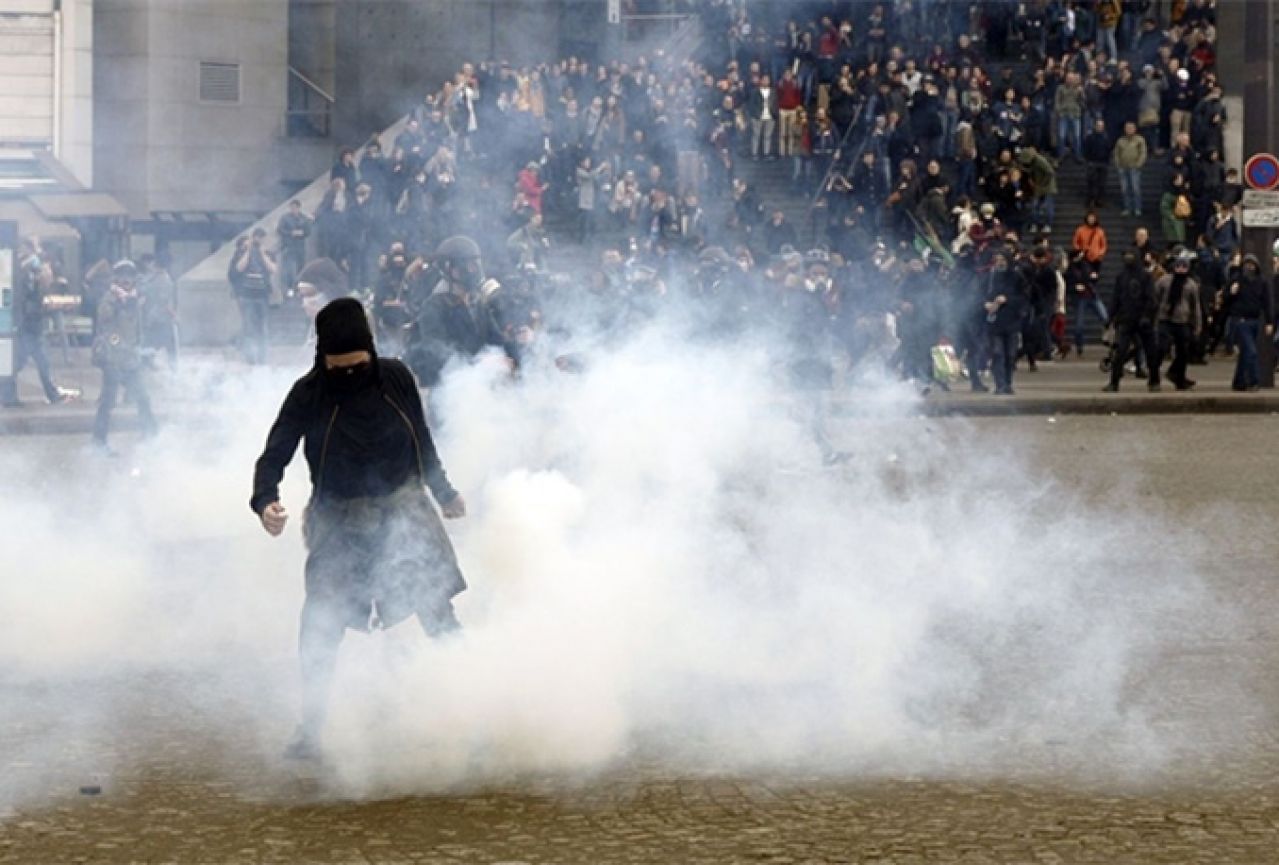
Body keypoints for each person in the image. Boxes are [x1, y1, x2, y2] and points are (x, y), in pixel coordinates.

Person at [251, 298, 467, 759]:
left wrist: (444, 492)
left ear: (370, 351)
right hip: (338, 518)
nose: (348, 376)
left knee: (438, 611)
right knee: (320, 624)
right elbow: (276, 451)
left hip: (406, 510)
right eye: (337, 368)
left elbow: (421, 439)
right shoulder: (308, 394)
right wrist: (265, 499)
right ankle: (311, 731)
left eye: (357, 366)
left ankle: (475, 715)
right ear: (322, 359)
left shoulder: (396, 378)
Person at [92, 260, 158, 451]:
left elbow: (137, 329)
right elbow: (107, 330)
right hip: (112, 359)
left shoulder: (134, 300)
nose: (127, 280)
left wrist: (140, 349)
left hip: (130, 360)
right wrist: (122, 346)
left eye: (130, 276)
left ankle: (151, 435)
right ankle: (98, 442)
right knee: (108, 402)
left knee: (143, 397)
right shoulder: (109, 300)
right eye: (123, 276)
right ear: (116, 279)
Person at [3, 238, 77, 407]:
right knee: (30, 361)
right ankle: (48, 394)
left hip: (27, 323)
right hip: (30, 323)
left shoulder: (24, 267)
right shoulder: (31, 267)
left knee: (25, 361)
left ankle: (47, 394)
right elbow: (33, 294)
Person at [1104, 250, 1160, 392]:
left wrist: (1147, 316)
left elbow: (1151, 299)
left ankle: (1154, 381)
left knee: (1150, 352)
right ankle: (1114, 382)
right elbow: (1116, 298)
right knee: (1120, 351)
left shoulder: (1145, 277)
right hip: (1127, 319)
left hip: (1140, 319)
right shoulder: (1122, 277)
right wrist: (1110, 317)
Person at [1153, 250, 1202, 391]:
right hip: (1165, 319)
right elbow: (1155, 298)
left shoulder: (1191, 285)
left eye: (1184, 267)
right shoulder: (1164, 281)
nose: (1181, 269)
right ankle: (1154, 378)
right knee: (1161, 349)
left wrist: (1197, 325)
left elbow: (1196, 306)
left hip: (1182, 321)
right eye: (1178, 266)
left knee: (1183, 352)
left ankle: (1178, 377)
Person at [1226, 254, 1274, 392]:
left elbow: (1267, 302)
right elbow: (1226, 299)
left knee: (1245, 353)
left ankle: (1239, 381)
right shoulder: (1237, 280)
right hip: (1240, 320)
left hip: (1254, 320)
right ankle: (1253, 381)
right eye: (1247, 264)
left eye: (1252, 265)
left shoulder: (1262, 282)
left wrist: (1269, 321)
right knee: (1251, 351)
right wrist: (1231, 292)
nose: (1249, 267)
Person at [230, 228, 277, 365]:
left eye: (261, 238)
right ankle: (250, 358)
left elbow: (273, 269)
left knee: (262, 328)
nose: (259, 241)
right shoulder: (241, 253)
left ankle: (262, 359)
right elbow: (239, 268)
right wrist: (248, 252)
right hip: (247, 296)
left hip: (262, 296)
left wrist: (263, 254)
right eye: (256, 238)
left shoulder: (268, 254)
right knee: (249, 328)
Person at [276, 200, 313, 297]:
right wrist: (290, 233)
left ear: (299, 208)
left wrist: (302, 233)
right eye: (292, 208)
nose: (293, 210)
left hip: (300, 246)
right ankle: (290, 288)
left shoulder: (304, 218)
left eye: (295, 208)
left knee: (301, 268)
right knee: (290, 269)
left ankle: (299, 289)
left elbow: (308, 231)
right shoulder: (285, 218)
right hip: (289, 246)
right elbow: (279, 230)